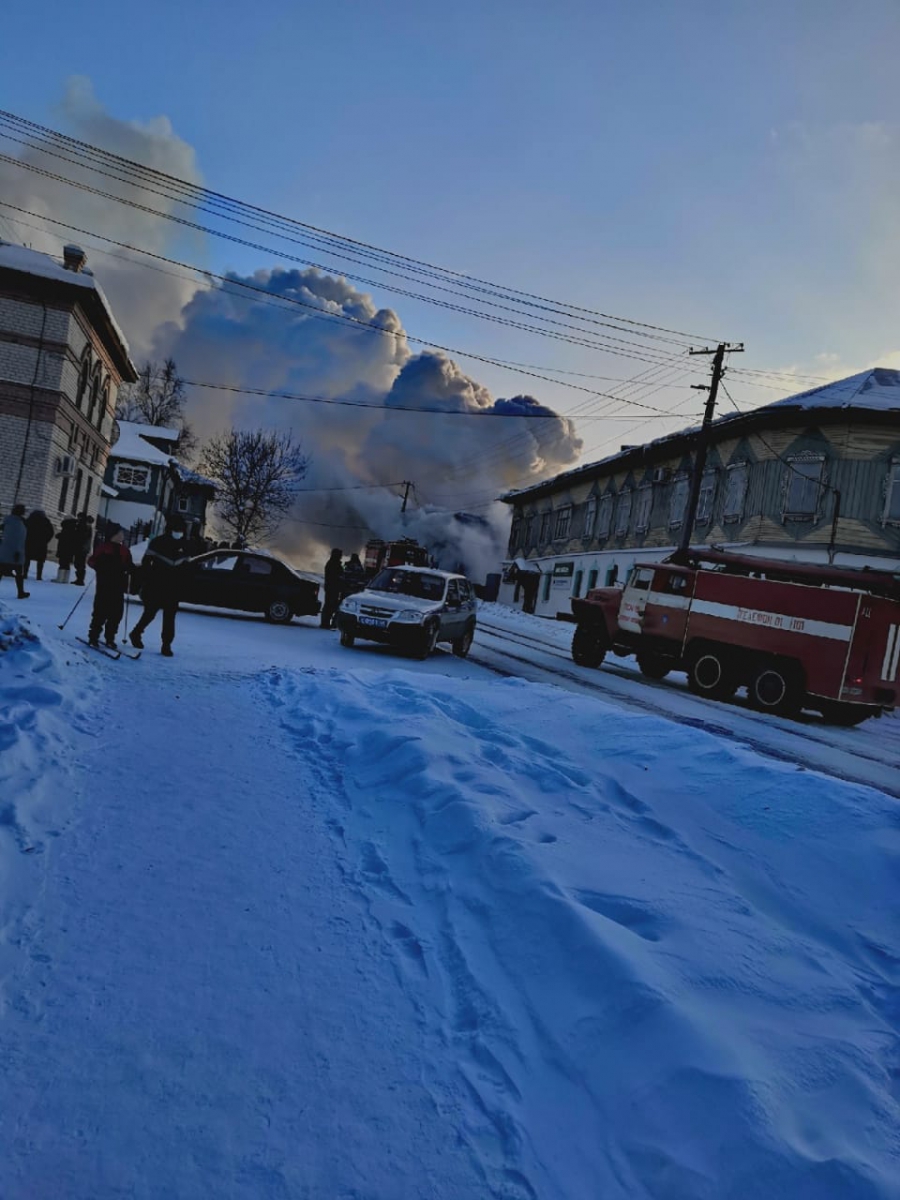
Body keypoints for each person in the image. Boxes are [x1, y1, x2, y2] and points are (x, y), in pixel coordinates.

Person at [129, 515, 191, 657]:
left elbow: (187, 567)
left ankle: (166, 645)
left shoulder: (186, 545)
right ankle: (136, 633)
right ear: (169, 529)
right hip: (156, 584)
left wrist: (183, 582)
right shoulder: (158, 542)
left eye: (180, 530)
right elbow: (146, 562)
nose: (178, 532)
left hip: (174, 587)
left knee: (170, 617)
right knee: (150, 613)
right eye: (176, 529)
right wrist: (148, 579)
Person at [86, 523, 133, 649]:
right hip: (104, 585)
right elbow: (92, 561)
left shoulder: (125, 550)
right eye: (119, 534)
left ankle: (110, 638)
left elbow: (129, 565)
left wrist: (130, 570)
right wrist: (100, 567)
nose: (122, 536)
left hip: (118, 586)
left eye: (122, 534)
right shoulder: (104, 548)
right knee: (100, 612)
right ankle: (93, 636)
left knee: (116, 614)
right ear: (112, 535)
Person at [0, 504, 30, 599]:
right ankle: (20, 592)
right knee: (19, 573)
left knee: (0, 571)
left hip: (5, 551)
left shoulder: (7, 521)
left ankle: (21, 592)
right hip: (17, 552)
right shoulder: (21, 523)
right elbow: (19, 539)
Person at [24, 509, 55, 581]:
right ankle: (39, 576)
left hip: (29, 543)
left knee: (27, 559)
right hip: (41, 544)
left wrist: (25, 539)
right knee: (40, 561)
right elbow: (51, 532)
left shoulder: (29, 520)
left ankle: (25, 574)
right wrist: (46, 540)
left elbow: (24, 530)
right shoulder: (46, 521)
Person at [321, 548, 344, 629]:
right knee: (330, 606)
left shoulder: (332, 563)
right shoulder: (333, 564)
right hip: (332, 588)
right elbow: (337, 577)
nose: (341, 557)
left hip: (331, 588)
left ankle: (325, 623)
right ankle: (325, 623)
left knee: (329, 606)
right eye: (340, 555)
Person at [54, 517, 79, 584]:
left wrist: (59, 535)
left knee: (62, 563)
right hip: (70, 549)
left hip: (63, 548)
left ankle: (60, 578)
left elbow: (64, 536)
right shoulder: (74, 528)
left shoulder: (66, 527)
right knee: (67, 564)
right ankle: (65, 579)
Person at [72, 513, 94, 585]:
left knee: (79, 563)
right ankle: (79, 579)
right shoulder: (88, 526)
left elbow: (80, 537)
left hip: (81, 547)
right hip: (84, 548)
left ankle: (80, 580)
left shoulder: (83, 526)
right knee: (80, 563)